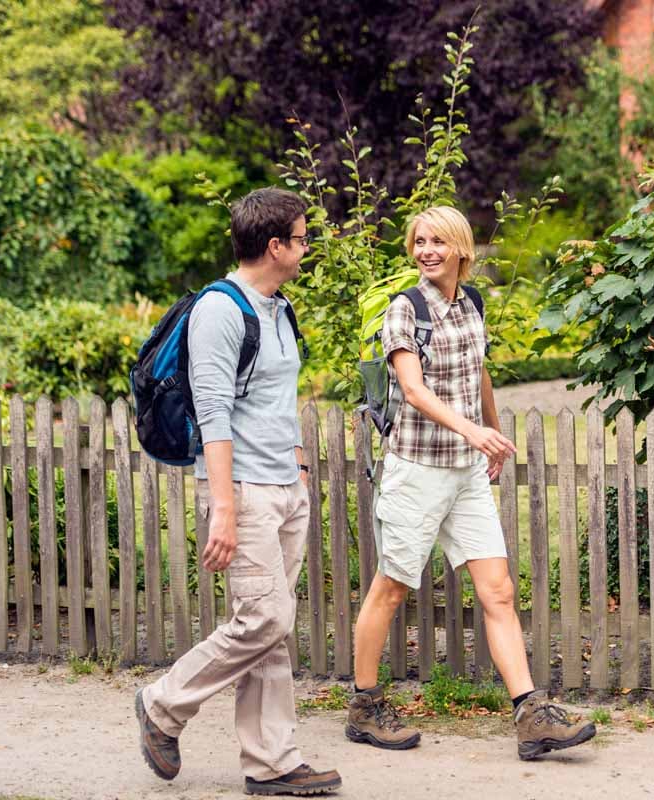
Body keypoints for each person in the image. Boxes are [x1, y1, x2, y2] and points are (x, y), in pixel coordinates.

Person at [346, 205, 597, 760]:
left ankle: (530, 714)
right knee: (391, 588)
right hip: (417, 471)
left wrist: (493, 431)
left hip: (465, 474)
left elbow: (477, 369)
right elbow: (412, 389)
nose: (426, 250)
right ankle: (364, 706)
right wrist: (471, 431)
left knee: (499, 590)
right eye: (418, 241)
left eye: (437, 241)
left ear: (462, 249)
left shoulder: (472, 302)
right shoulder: (404, 310)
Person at [134, 187, 342, 797]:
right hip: (243, 489)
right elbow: (213, 413)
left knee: (270, 625)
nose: (307, 248)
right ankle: (163, 704)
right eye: (301, 239)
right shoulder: (220, 311)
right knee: (265, 616)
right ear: (274, 246)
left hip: (284, 484)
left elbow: (279, 399)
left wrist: (300, 466)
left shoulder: (279, 308)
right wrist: (223, 506)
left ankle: (272, 761)